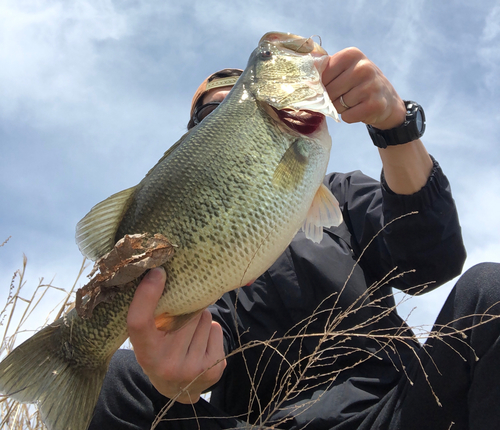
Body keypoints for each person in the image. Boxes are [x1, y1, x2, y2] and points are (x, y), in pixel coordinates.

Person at [89, 48, 500, 430]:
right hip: (263, 421)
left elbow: (430, 264)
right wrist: (178, 366)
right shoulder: (178, 240)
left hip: (399, 409)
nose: (229, 117)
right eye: (212, 115)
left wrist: (395, 126)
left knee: (489, 290)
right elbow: (196, 350)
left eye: (240, 103)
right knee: (119, 381)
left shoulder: (340, 195)